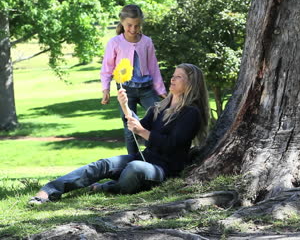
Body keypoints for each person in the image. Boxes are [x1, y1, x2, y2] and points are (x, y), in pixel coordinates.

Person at [28, 64, 210, 204]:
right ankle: (49, 190)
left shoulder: (191, 113)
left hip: (163, 169)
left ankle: (109, 188)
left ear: (191, 83)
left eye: (179, 77)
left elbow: (172, 144)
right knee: (103, 164)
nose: (172, 79)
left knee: (135, 168)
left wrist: (143, 131)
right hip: (145, 157)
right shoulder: (159, 107)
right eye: (173, 75)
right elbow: (136, 127)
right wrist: (125, 106)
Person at [100, 4, 167, 155]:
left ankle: (155, 154)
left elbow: (153, 67)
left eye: (137, 26)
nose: (133, 29)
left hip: (146, 89)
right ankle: (133, 160)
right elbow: (107, 68)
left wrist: (162, 91)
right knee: (130, 128)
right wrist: (105, 90)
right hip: (125, 91)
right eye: (129, 25)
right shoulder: (115, 43)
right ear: (122, 22)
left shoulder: (146, 42)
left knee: (160, 118)